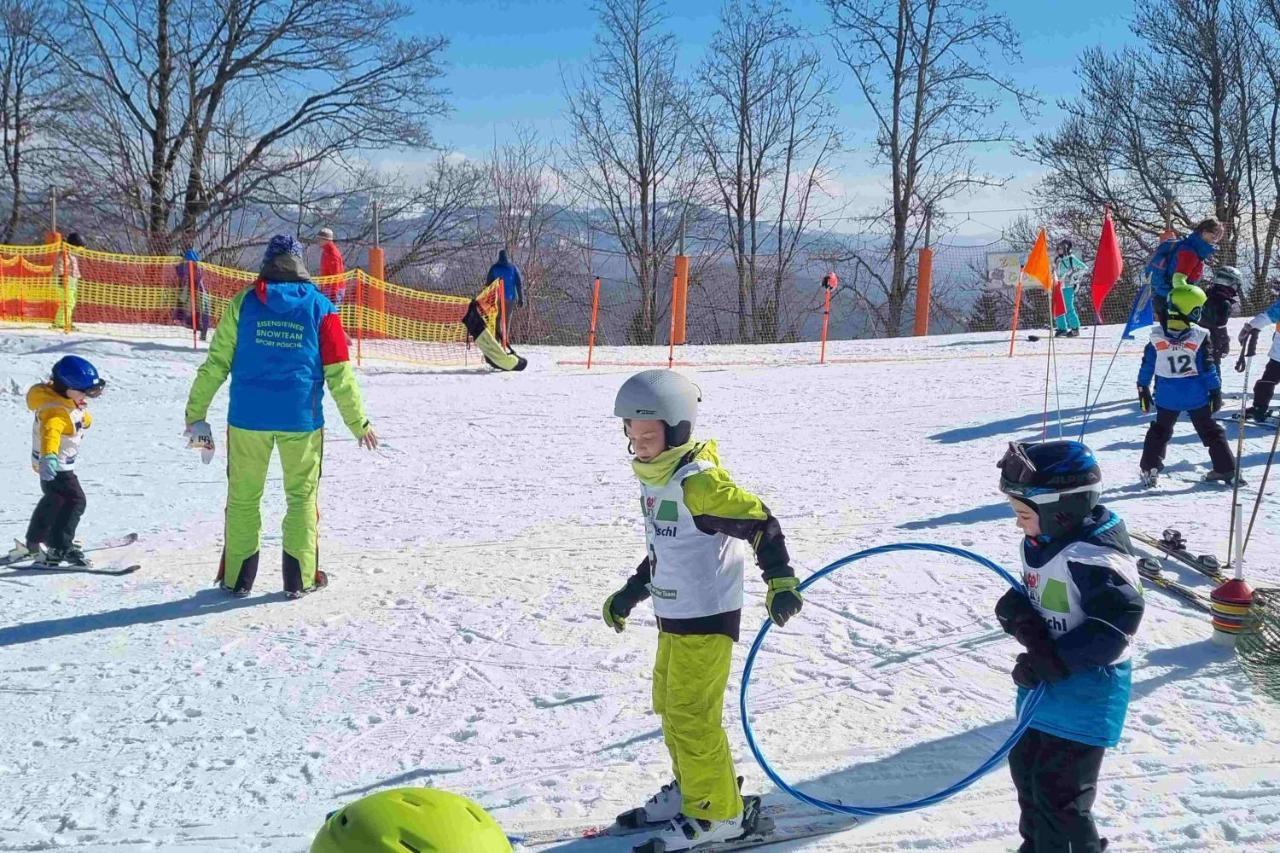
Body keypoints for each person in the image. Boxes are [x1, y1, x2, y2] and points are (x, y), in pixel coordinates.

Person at [602, 370, 803, 851]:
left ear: (678, 431)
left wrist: (780, 581)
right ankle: (697, 789)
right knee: (672, 709)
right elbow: (665, 550)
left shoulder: (699, 484)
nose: (640, 446)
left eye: (648, 437)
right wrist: (631, 592)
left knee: (693, 715)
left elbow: (760, 522)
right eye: (632, 435)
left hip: (706, 618)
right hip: (673, 615)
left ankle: (719, 814)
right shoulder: (658, 478)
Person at [183, 234, 378, 598]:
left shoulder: (243, 303)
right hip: (301, 421)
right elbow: (339, 372)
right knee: (302, 499)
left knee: (243, 499)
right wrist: (358, 422)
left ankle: (236, 580)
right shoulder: (322, 308)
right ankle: (299, 579)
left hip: (247, 419)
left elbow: (216, 364)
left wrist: (196, 412)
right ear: (301, 264)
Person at [996, 440, 1145, 853]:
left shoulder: (1094, 556)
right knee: (1026, 771)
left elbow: (1114, 628)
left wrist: (1052, 659)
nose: (1018, 524)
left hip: (1088, 691)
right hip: (1048, 686)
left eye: (1024, 514)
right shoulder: (1047, 542)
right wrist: (1021, 618)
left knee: (1060, 795)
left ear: (1061, 511)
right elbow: (1041, 593)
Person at [7, 356, 106, 567]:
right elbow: (49, 435)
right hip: (55, 466)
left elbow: (79, 418)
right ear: (66, 388)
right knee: (75, 501)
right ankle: (59, 548)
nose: (87, 397)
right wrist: (49, 457)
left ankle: (34, 543)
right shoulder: (55, 413)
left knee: (54, 501)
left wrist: (83, 417)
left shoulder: (65, 402)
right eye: (83, 392)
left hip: (54, 464)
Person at [1136, 282, 1236, 486]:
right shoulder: (1199, 337)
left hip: (1166, 397)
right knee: (1211, 431)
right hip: (1196, 397)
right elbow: (1208, 368)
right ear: (1193, 311)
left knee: (1160, 431)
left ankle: (1150, 467)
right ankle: (1225, 468)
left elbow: (1147, 365)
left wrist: (1142, 387)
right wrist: (1215, 391)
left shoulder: (1156, 338)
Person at [1151, 218, 1222, 323]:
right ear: (1204, 232)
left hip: (1165, 297)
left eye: (1218, 238)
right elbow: (1178, 279)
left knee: (1168, 336)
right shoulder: (1190, 252)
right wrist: (1194, 300)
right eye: (1214, 235)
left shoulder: (1190, 246)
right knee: (1177, 336)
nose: (1215, 240)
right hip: (1173, 302)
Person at [1235, 284, 1280, 423]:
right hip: (1278, 356)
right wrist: (1250, 327)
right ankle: (1259, 408)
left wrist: (1250, 327)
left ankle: (1259, 408)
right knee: (1265, 383)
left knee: (1265, 383)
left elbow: (1267, 316)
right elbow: (1268, 316)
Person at [1200, 265, 1242, 368]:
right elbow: (1220, 326)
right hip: (1211, 345)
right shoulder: (1224, 303)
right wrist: (1225, 344)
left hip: (1194, 340)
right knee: (1213, 373)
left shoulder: (1205, 294)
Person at [485, 249, 523, 343]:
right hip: (510, 298)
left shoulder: (494, 268)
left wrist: (487, 298)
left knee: (497, 318)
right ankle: (505, 341)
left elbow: (488, 284)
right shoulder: (513, 268)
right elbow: (519, 283)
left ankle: (497, 339)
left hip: (497, 298)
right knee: (506, 320)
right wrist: (521, 298)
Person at [173, 248, 210, 341]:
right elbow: (180, 273)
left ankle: (202, 329)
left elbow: (196, 277)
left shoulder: (198, 268)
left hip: (197, 290)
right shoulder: (187, 266)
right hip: (190, 288)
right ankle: (183, 318)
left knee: (203, 308)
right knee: (183, 300)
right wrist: (179, 266)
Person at [1053, 240, 1087, 337]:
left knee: (1068, 306)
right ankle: (1062, 328)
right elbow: (1056, 272)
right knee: (1058, 306)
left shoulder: (1071, 259)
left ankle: (1075, 328)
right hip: (1058, 286)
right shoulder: (1058, 260)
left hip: (1068, 286)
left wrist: (1073, 276)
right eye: (1058, 248)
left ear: (1066, 249)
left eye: (1061, 248)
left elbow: (1084, 268)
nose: (1059, 250)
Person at [52, 232, 85, 330]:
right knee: (68, 302)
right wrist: (62, 277)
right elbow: (59, 265)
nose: (80, 251)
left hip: (71, 281)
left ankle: (65, 321)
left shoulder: (72, 254)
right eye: (79, 248)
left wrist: (76, 277)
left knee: (71, 302)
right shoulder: (64, 254)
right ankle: (60, 323)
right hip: (64, 281)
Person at [317, 227, 346, 306]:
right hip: (327, 288)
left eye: (320, 239)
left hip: (334, 290)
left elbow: (336, 274)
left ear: (326, 240)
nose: (318, 241)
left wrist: (334, 293)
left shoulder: (333, 254)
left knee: (333, 314)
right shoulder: (325, 252)